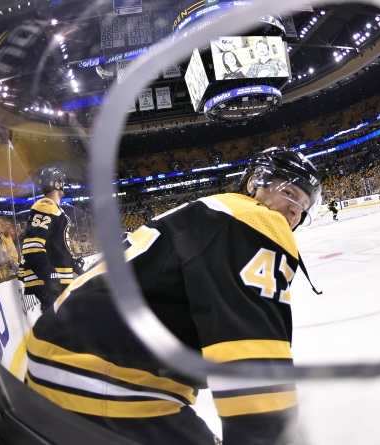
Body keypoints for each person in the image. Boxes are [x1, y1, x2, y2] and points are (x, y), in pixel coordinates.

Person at [24, 148, 322, 445]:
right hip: (101, 376)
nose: (297, 211)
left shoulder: (218, 211)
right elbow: (253, 354)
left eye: (304, 206)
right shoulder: (255, 219)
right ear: (255, 182)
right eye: (291, 194)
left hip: (67, 360)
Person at [18, 167, 84, 314]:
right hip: (47, 281)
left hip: (55, 279)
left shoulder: (54, 208)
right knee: (61, 325)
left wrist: (72, 264)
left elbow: (54, 245)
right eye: (61, 182)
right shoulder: (45, 205)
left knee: (65, 323)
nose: (63, 184)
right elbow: (32, 245)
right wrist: (47, 272)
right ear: (56, 184)